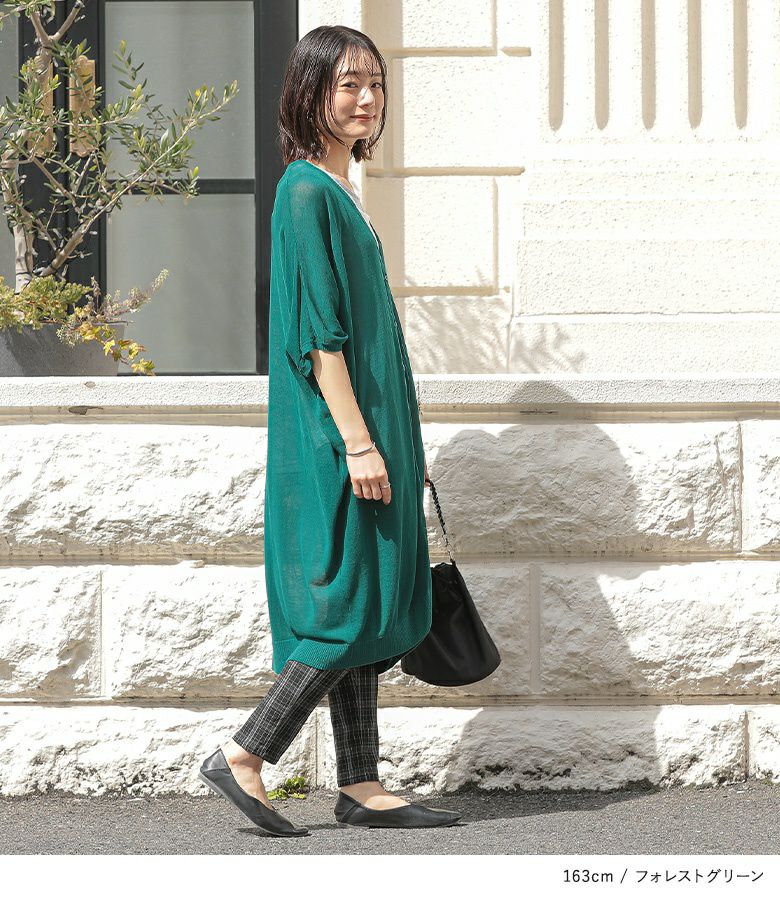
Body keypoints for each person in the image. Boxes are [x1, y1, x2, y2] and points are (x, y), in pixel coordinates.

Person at [199, 25, 462, 836]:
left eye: (375, 83)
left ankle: (361, 783)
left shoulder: (340, 186)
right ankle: (247, 752)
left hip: (373, 430)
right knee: (347, 602)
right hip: (338, 436)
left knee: (371, 591)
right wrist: (357, 441)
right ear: (309, 92)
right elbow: (320, 340)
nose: (366, 98)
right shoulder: (306, 191)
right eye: (348, 84)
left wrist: (396, 441)